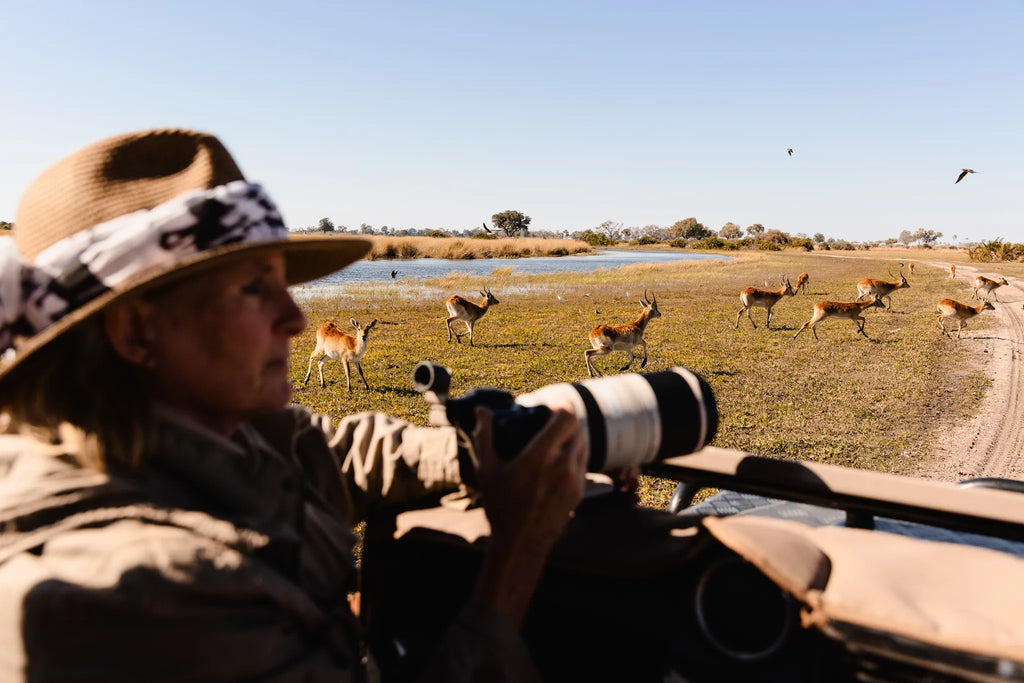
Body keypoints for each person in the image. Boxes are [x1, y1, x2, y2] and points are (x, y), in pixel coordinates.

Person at [0, 129, 590, 681]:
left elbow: (331, 449)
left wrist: (496, 439)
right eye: (254, 288)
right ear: (135, 333)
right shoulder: (137, 593)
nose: (297, 318)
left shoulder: (173, 430)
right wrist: (516, 556)